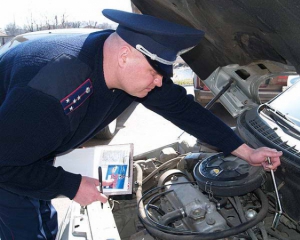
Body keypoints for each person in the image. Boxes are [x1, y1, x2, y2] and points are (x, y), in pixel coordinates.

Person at [0, 9, 282, 240]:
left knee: (42, 210)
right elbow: (7, 164)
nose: (159, 81)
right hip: (8, 153)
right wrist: (70, 184)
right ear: (124, 57)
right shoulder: (54, 90)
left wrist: (245, 151)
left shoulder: (123, 67)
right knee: (22, 226)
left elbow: (183, 109)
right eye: (154, 72)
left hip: (23, 141)